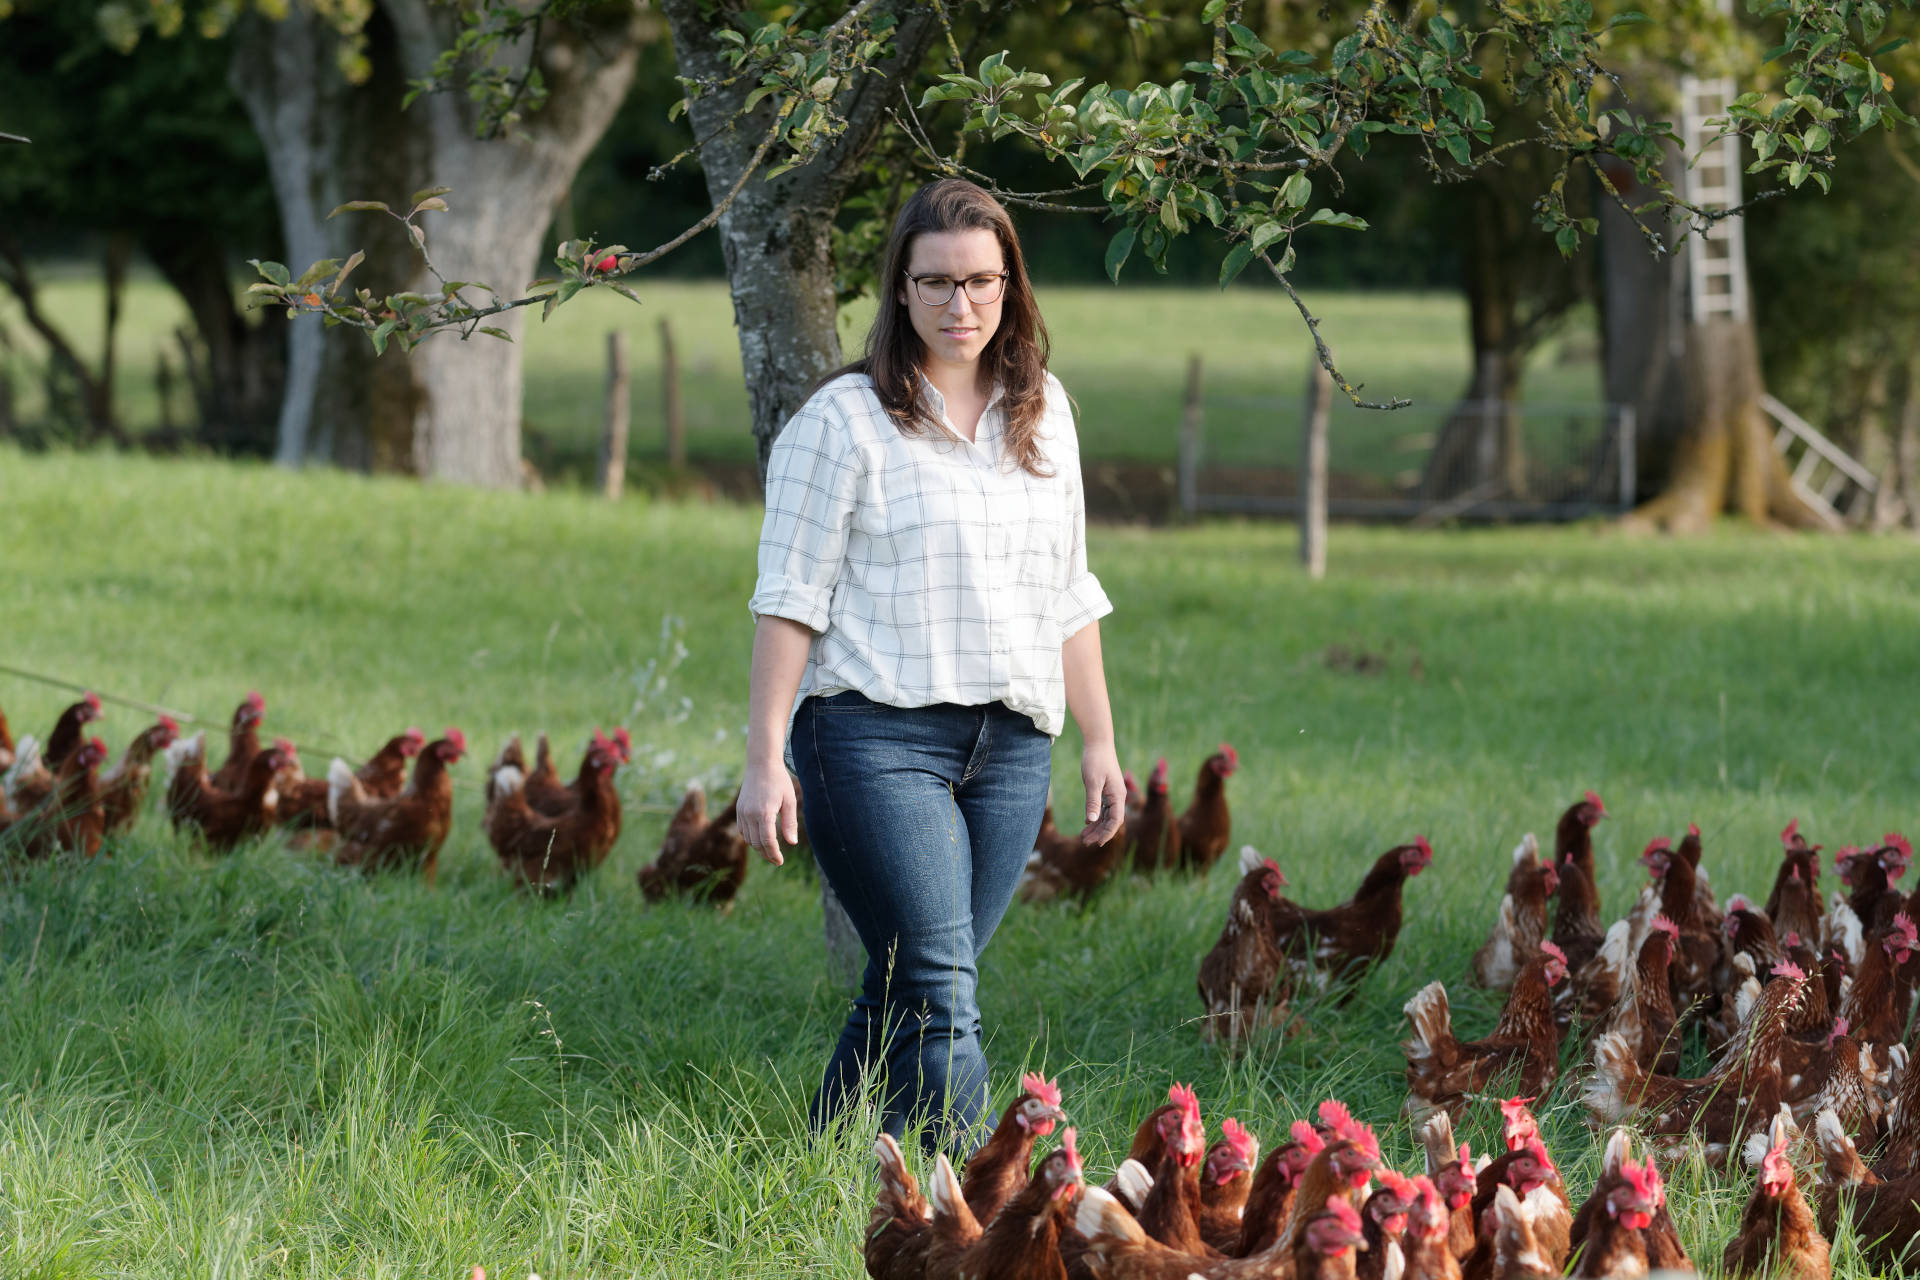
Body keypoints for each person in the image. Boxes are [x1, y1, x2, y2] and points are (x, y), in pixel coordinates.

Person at [737, 178, 1124, 1153]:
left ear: (1012, 287)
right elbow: (789, 598)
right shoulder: (844, 420)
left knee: (914, 981)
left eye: (983, 283)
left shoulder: (1043, 410)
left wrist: (1101, 742)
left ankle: (822, 1165)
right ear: (901, 288)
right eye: (939, 283)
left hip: (1012, 744)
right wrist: (762, 760)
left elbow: (1069, 586)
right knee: (943, 987)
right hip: (871, 736)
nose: (963, 307)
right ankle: (974, 1212)